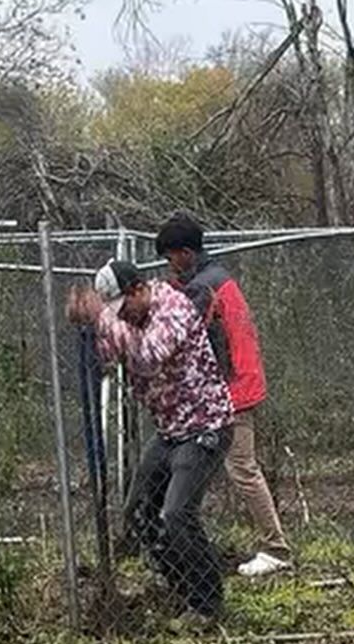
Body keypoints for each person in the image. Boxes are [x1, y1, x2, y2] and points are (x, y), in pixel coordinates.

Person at [67, 262, 234, 623]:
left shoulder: (173, 307)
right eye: (116, 313)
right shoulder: (129, 320)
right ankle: (180, 589)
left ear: (139, 289)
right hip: (170, 431)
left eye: (124, 308)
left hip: (205, 426)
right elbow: (110, 353)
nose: (122, 317)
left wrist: (105, 321)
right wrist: (92, 323)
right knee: (139, 510)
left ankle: (207, 604)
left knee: (177, 513)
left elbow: (149, 355)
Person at [154, 212, 293, 578]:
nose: (170, 265)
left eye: (170, 257)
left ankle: (276, 548)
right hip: (236, 383)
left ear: (184, 253)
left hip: (234, 389)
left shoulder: (204, 287)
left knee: (242, 468)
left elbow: (181, 333)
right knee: (223, 468)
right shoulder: (215, 279)